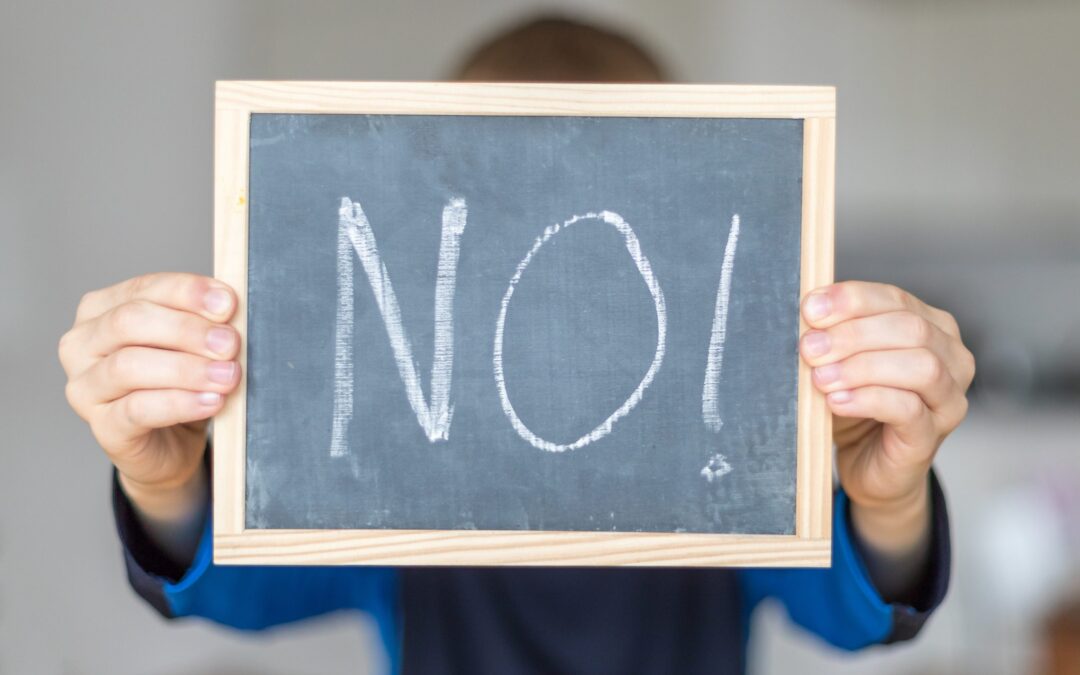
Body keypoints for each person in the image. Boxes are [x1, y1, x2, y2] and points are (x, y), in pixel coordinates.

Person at [58, 16, 974, 675]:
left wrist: (887, 499)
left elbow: (863, 613)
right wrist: (166, 481)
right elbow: (230, 590)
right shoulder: (394, 448)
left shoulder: (727, 428)